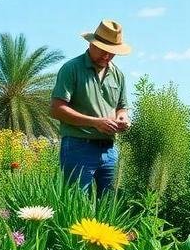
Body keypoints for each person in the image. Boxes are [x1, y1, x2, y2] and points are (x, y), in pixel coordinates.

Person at [50, 19, 131, 194]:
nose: (107, 56)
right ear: (92, 44)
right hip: (78, 146)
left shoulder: (118, 75)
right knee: (76, 205)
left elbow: (122, 107)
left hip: (109, 150)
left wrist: (123, 118)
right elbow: (56, 109)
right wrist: (94, 122)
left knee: (110, 207)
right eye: (104, 50)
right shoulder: (71, 68)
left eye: (112, 52)